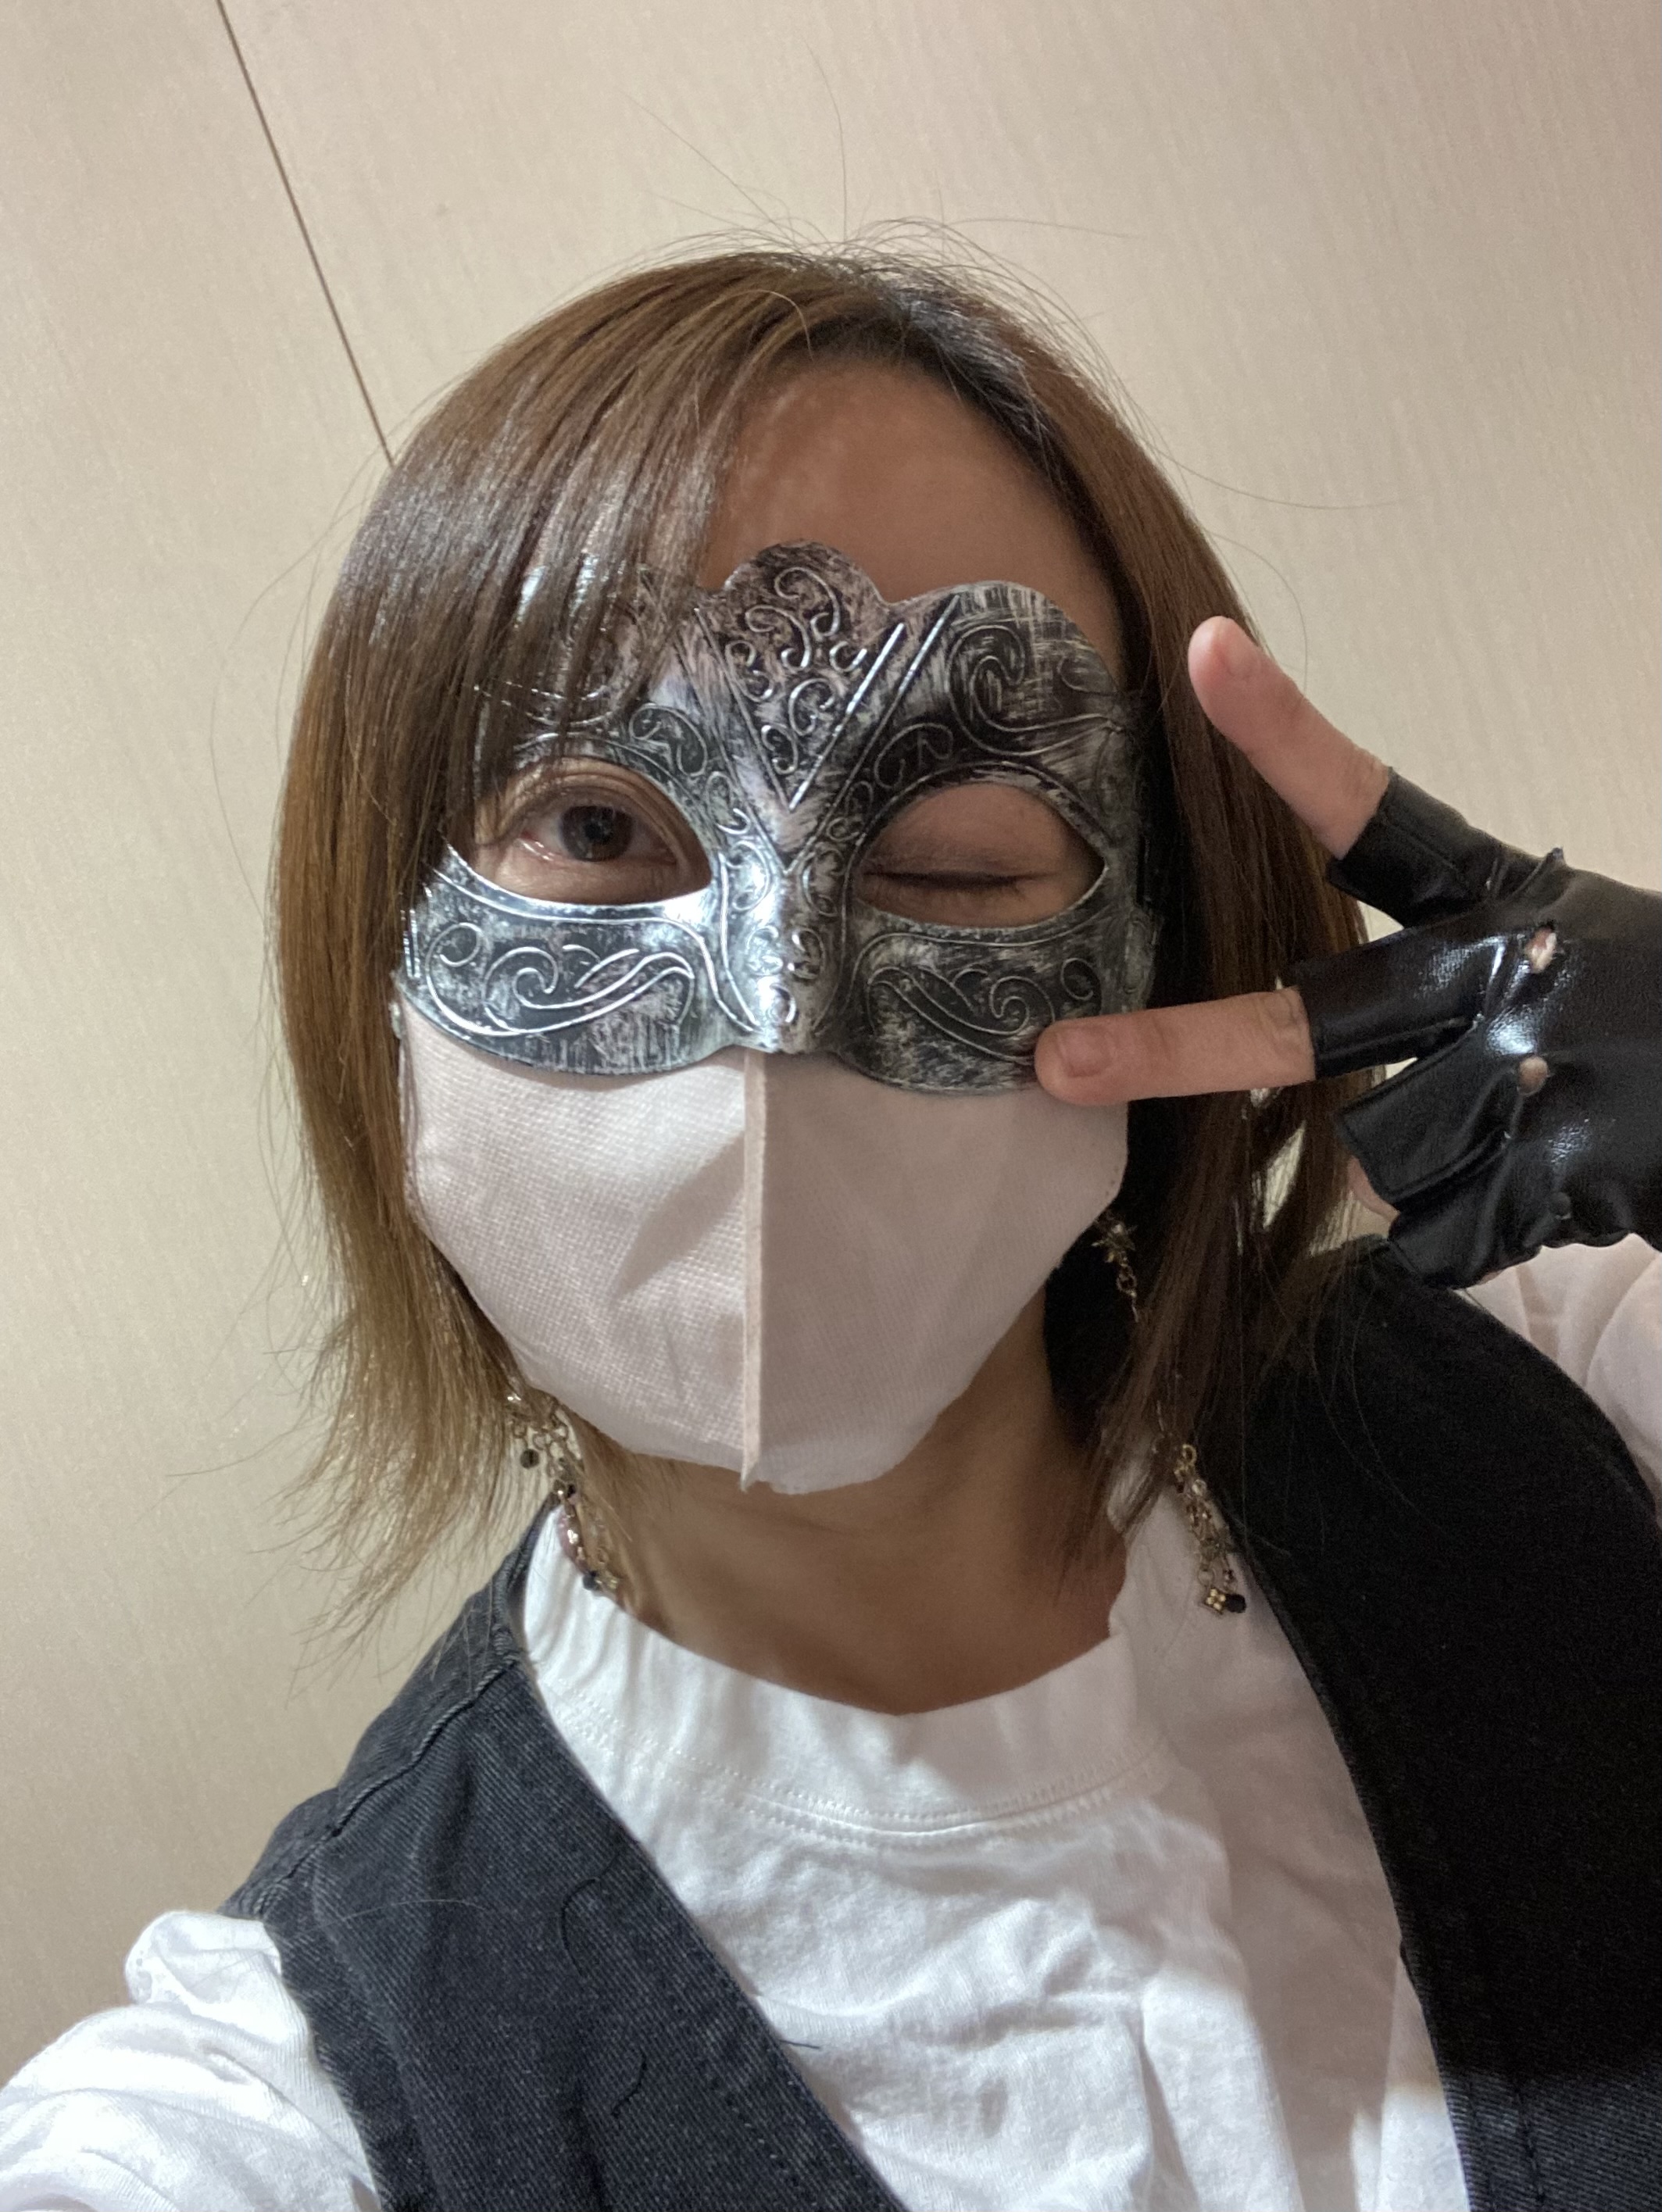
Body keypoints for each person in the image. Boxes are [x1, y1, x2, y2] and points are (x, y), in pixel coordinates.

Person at [1, 245, 1657, 2212]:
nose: (774, 1009)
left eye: (947, 858)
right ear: (375, 944)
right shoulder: (303, 2090)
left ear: (1161, 936)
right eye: (599, 829)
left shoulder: (1574, 1389)